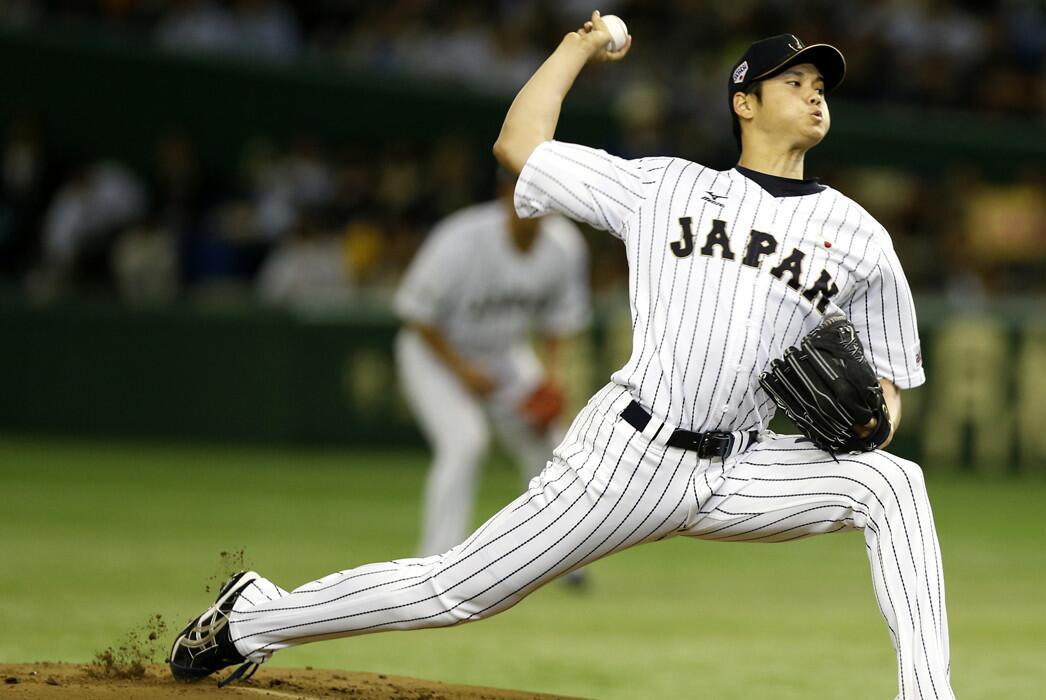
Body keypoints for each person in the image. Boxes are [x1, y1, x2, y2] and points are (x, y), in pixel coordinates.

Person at [170, 15, 954, 699]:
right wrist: (580, 46)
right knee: (457, 590)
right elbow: (520, 145)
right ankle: (254, 619)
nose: (815, 92)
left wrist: (872, 425)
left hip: (741, 468)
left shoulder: (862, 238)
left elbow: (889, 387)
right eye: (794, 80)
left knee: (892, 482)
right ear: (743, 103)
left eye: (821, 82)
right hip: (631, 453)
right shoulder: (666, 188)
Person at [392, 175, 591, 558]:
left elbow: (559, 322)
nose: (534, 205)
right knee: (465, 441)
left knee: (553, 442)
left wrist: (550, 378)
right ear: (503, 195)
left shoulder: (564, 246)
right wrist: (462, 370)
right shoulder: (461, 239)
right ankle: (436, 558)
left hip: (504, 355)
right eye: (524, 193)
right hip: (434, 354)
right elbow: (414, 313)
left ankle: (556, 556)